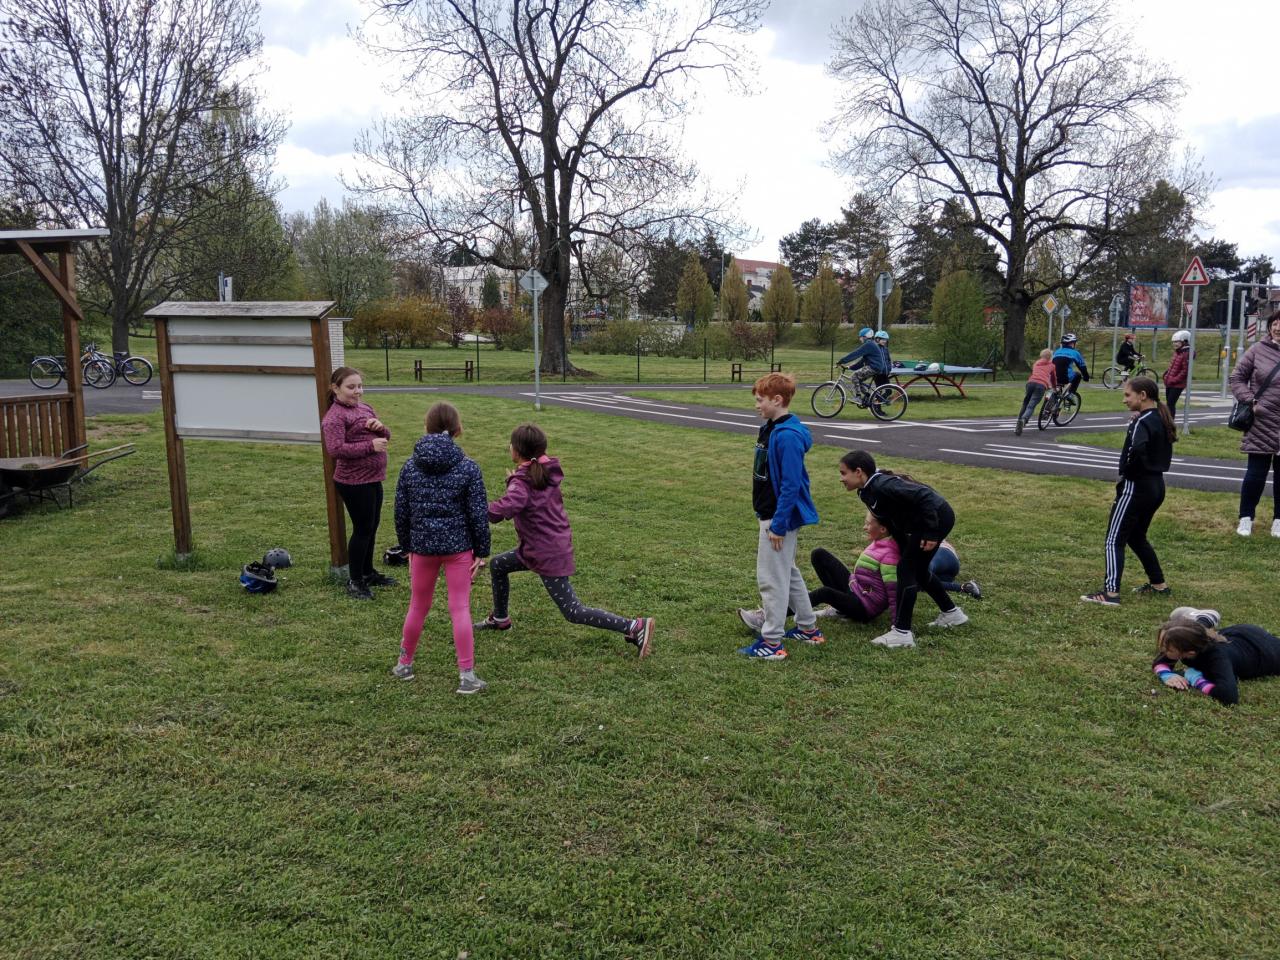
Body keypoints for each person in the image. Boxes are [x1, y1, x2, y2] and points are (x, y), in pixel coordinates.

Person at [481, 423, 655, 657]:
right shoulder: (542, 473)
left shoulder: (523, 482)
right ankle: (500, 619)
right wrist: (514, 481)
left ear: (517, 451)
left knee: (573, 610)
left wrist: (477, 508)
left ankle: (634, 626)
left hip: (546, 553)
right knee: (498, 565)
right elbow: (526, 496)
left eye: (510, 444)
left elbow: (505, 508)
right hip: (542, 547)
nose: (509, 446)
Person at [391, 402, 491, 694]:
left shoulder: (410, 467)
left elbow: (401, 512)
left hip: (421, 547)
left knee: (417, 606)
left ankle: (404, 664)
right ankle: (467, 675)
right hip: (458, 548)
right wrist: (481, 550)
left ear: (427, 427)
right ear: (458, 429)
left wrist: (407, 546)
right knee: (459, 608)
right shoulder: (469, 467)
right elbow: (478, 514)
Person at [836, 450, 967, 648]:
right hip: (923, 524)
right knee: (918, 570)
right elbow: (893, 520)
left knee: (906, 570)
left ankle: (902, 632)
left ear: (859, 472)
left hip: (937, 519)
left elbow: (925, 497)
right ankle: (952, 614)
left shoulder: (882, 485)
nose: (841, 478)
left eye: (843, 473)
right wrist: (903, 546)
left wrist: (931, 532)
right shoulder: (866, 491)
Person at [736, 372, 822, 659]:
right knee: (788, 571)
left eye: (760, 400)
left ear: (777, 400)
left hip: (777, 518)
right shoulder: (771, 429)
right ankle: (808, 628)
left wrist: (779, 524)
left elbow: (791, 484)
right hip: (770, 514)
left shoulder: (787, 437)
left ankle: (772, 641)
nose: (757, 405)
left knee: (771, 578)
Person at [1081, 377, 1175, 606]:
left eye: (1127, 395)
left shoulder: (1141, 422)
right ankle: (1158, 584)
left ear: (1142, 396)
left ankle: (1110, 593)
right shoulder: (1161, 418)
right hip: (1157, 485)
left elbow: (1137, 449)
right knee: (1136, 536)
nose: (1124, 400)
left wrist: (1127, 472)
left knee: (1114, 539)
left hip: (1136, 487)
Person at [738, 508, 898, 628]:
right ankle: (841, 609)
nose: (864, 527)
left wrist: (897, 624)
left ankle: (767, 617)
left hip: (864, 608)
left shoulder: (889, 555)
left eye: (868, 524)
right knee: (819, 555)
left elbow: (893, 591)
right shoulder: (879, 541)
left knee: (825, 593)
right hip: (856, 589)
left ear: (883, 529)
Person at [321, 366, 394, 601]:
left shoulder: (365, 408)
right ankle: (355, 581)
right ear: (335, 388)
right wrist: (369, 446)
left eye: (360, 386)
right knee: (362, 529)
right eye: (351, 387)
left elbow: (387, 436)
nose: (358, 391)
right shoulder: (334, 417)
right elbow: (335, 449)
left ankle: (368, 572)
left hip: (374, 477)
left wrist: (380, 428)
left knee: (372, 526)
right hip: (353, 481)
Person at [1152, 607, 1280, 706]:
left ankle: (1204, 619)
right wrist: (1167, 675)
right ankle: (1203, 620)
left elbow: (1228, 696)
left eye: (1167, 648)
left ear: (1190, 652)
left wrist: (1194, 678)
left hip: (1268, 651)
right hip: (1237, 634)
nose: (1161, 649)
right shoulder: (1190, 643)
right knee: (1186, 633)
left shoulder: (1217, 658)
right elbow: (1160, 662)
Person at [1228, 311, 1280, 538]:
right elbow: (1236, 378)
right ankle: (1246, 518)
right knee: (1255, 474)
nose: (1278, 328)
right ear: (1269, 327)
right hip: (1262, 420)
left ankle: (1278, 521)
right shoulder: (1257, 350)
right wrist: (1251, 401)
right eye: (1275, 323)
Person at [1015, 348, 1057, 435]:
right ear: (1050, 357)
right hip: (1041, 385)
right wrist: (1054, 388)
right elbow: (1053, 379)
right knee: (1031, 406)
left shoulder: (1036, 363)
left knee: (1025, 403)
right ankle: (1024, 419)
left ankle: (1018, 422)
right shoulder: (1052, 366)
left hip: (1030, 383)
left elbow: (1038, 373)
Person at [1163, 329, 1191, 417]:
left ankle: (1170, 422)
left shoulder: (1186, 354)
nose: (1174, 344)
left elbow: (1185, 371)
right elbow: (1172, 367)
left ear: (1185, 342)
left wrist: (1174, 380)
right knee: (1169, 404)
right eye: (1173, 342)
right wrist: (1166, 376)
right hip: (1170, 383)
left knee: (1170, 404)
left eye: (1177, 342)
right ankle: (1168, 421)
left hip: (1177, 384)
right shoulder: (1177, 352)